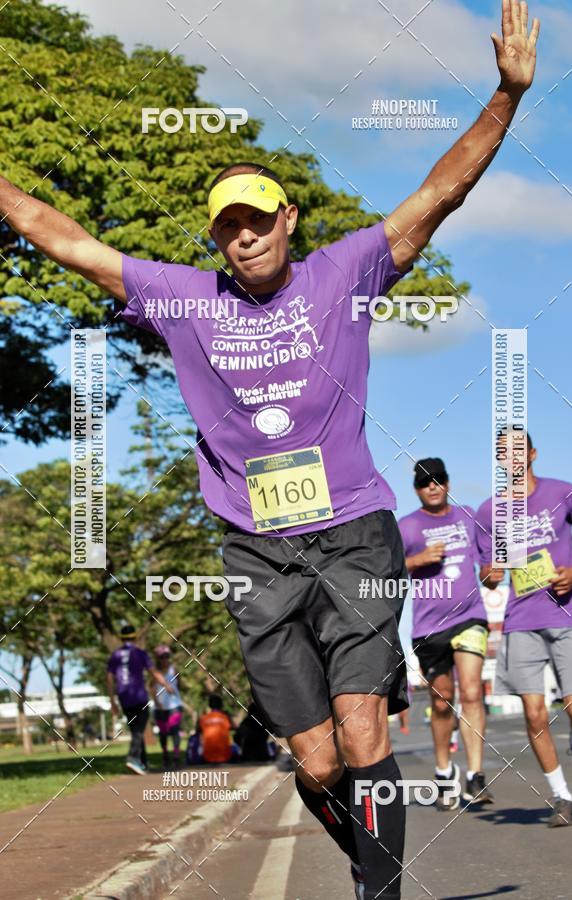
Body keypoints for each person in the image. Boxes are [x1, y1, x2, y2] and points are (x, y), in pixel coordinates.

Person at [0, 4, 540, 893]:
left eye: (256, 219)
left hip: (356, 535)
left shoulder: (348, 270)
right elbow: (68, 241)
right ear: (213, 237)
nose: (242, 236)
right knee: (319, 763)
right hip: (257, 554)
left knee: (365, 732)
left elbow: (439, 193)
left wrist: (506, 96)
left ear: (288, 218)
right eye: (225, 227)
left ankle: (381, 889)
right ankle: (371, 860)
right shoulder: (182, 299)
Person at [477, 433, 572, 827]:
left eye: (518, 449)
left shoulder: (563, 493)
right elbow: (488, 573)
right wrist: (492, 574)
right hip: (521, 621)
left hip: (566, 614)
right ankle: (561, 796)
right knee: (534, 713)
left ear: (532, 454)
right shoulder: (488, 511)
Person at [398, 458, 494, 810]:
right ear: (417, 490)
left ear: (448, 484)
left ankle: (476, 776)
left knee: (471, 690)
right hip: (428, 628)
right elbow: (386, 569)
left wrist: (491, 571)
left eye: (438, 480)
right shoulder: (406, 527)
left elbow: (488, 558)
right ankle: (443, 772)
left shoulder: (468, 516)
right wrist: (417, 559)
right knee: (441, 702)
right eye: (425, 482)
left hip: (470, 617)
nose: (433, 486)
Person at [106, 625, 174, 774]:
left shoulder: (115, 655)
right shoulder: (140, 653)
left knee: (136, 729)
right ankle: (132, 757)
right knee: (139, 730)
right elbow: (153, 672)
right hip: (139, 697)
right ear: (135, 637)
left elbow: (110, 678)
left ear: (121, 638)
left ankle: (142, 763)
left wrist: (112, 701)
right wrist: (166, 684)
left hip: (123, 698)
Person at [152, 644, 185, 770]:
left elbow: (179, 684)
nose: (165, 659)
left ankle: (176, 756)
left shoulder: (174, 669)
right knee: (163, 733)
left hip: (174, 705)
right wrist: (157, 702)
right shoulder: (155, 672)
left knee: (175, 730)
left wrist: (177, 696)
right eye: (162, 657)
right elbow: (152, 688)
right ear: (157, 658)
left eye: (167, 656)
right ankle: (165, 755)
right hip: (160, 707)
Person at [199, 694, 234, 764]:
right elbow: (234, 727)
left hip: (207, 757)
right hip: (225, 756)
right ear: (221, 705)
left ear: (209, 705)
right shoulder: (225, 717)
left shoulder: (204, 718)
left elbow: (199, 732)